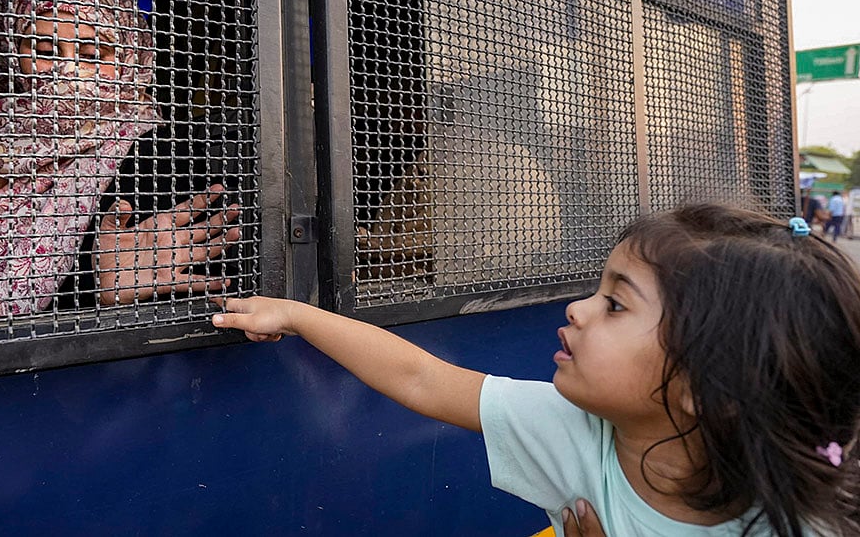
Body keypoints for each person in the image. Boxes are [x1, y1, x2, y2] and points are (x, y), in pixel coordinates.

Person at [213, 203, 860, 536]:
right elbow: (422, 378)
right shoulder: (571, 429)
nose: (577, 309)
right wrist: (298, 314)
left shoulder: (800, 523)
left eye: (614, 304)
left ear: (705, 386)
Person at [0, 0, 239, 324]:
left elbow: (190, 281)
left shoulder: (157, 155)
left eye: (92, 53)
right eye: (44, 50)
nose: (67, 70)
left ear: (129, 58)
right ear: (11, 53)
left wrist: (100, 289)